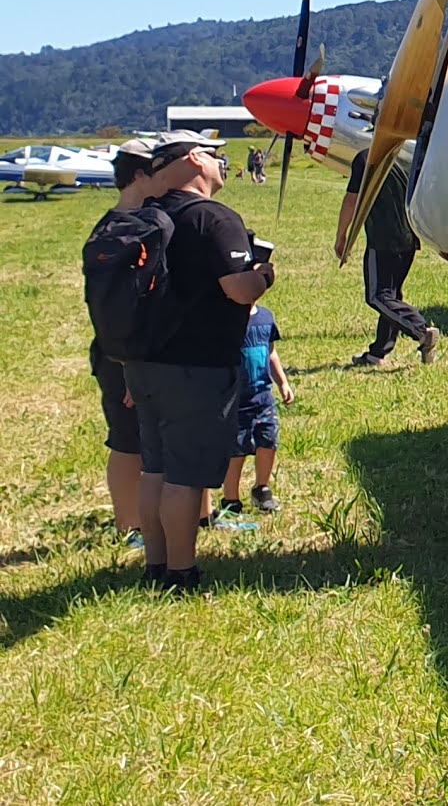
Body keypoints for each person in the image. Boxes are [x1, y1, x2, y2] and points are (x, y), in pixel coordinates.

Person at [123, 133, 276, 592]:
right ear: (194, 159)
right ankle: (181, 574)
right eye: (215, 156)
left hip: (143, 363)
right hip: (196, 366)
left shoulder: (144, 216)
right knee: (186, 476)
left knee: (155, 467)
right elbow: (240, 290)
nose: (221, 164)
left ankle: (155, 564)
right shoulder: (214, 217)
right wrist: (265, 275)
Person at [87, 138, 179, 548]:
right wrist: (124, 364)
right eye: (158, 170)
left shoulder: (113, 226)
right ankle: (128, 526)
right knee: (127, 440)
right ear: (141, 176)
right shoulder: (135, 230)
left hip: (124, 349)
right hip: (123, 352)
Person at [340, 146, 439, 367]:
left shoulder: (367, 157)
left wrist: (342, 236)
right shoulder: (410, 155)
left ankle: (422, 331)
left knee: (378, 296)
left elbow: (352, 199)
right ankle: (378, 353)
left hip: (383, 239)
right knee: (392, 297)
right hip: (410, 237)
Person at [218, 304, 291, 518]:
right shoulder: (226, 319)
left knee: (268, 442)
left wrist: (283, 383)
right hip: (235, 400)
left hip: (263, 398)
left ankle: (262, 487)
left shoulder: (266, 317)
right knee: (237, 450)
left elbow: (271, 353)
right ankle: (230, 498)